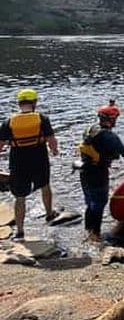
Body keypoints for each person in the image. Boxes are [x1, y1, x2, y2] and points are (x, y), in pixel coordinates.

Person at [79, 102, 124, 242]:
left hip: (84, 171)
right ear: (111, 119)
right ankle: (95, 235)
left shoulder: (90, 129)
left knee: (90, 203)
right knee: (99, 203)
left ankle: (88, 231)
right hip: (98, 173)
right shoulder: (108, 136)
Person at [0, 89, 59, 240]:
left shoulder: (9, 122)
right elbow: (51, 140)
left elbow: (0, 145)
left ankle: (20, 231)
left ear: (19, 103)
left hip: (18, 161)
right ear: (34, 103)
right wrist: (54, 150)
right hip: (39, 159)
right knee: (45, 186)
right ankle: (49, 214)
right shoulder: (42, 118)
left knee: (20, 197)